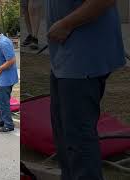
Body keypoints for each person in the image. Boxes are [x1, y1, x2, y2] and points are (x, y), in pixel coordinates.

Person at [46, 0, 126, 179]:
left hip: (82, 58)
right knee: (65, 138)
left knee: (78, 141)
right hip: (64, 59)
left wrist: (66, 24)